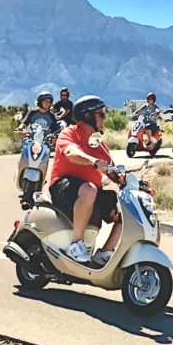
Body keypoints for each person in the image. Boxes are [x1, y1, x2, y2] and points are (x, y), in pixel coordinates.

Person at [47, 95, 122, 265]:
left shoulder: (97, 142)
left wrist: (125, 179)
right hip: (63, 187)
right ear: (87, 116)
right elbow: (71, 152)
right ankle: (76, 244)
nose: (104, 118)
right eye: (101, 114)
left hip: (89, 192)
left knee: (124, 211)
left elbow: (112, 169)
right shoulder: (70, 133)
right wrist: (92, 161)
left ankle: (105, 252)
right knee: (89, 189)